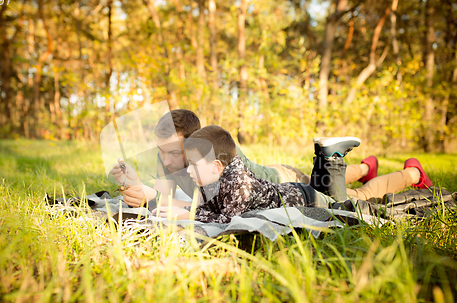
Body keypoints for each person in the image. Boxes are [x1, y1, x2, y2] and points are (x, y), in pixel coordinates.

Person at [110, 109, 412, 208]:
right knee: (329, 179)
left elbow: (207, 205)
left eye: (174, 152)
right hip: (281, 184)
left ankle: (411, 174)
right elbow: (165, 189)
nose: (166, 159)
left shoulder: (217, 162)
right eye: (161, 151)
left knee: (351, 197)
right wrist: (137, 184)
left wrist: (155, 197)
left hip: (281, 181)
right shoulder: (172, 156)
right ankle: (365, 167)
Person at [152, 126, 433, 223]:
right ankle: (356, 165)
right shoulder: (216, 165)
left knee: (359, 200)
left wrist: (186, 214)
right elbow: (211, 204)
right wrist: (177, 205)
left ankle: (410, 174)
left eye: (190, 164)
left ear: (215, 167)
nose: (185, 169)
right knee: (350, 192)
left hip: (306, 199)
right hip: (294, 189)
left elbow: (227, 217)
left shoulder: (232, 179)